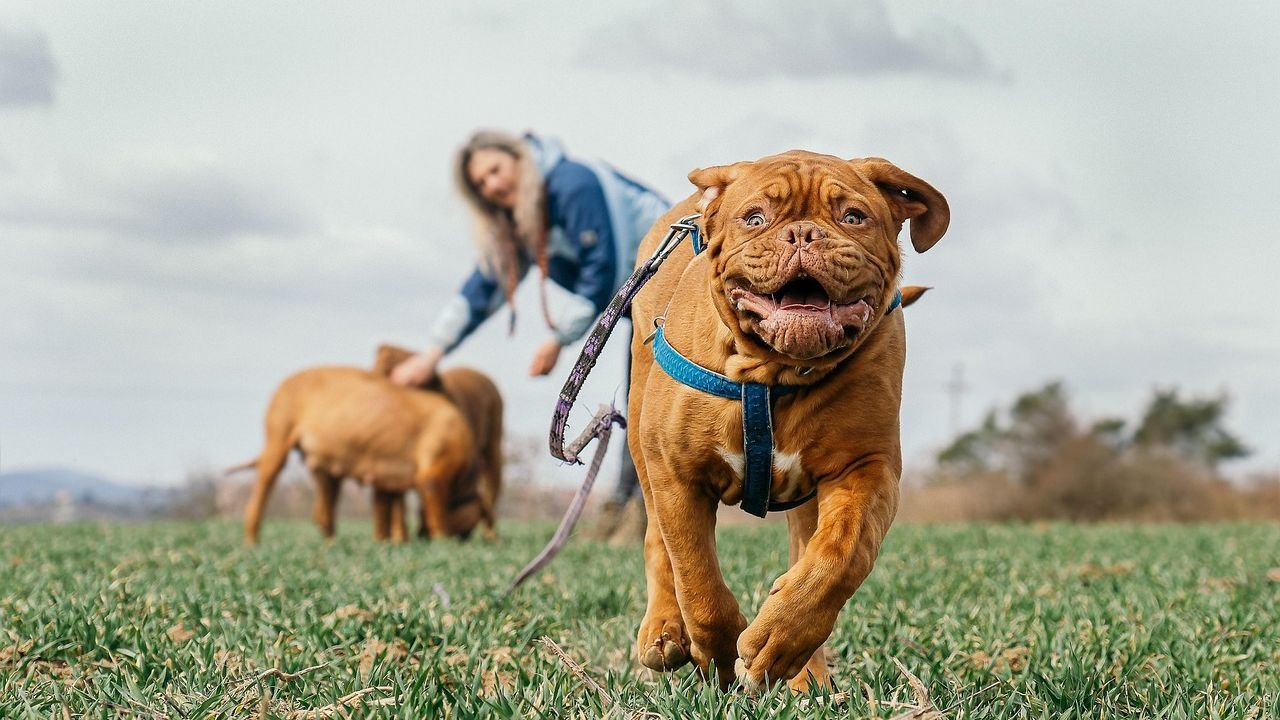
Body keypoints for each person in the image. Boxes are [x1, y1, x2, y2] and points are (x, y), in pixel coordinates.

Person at [390, 130, 669, 539]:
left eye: (495, 170)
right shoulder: (524, 220)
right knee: (640, 398)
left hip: (678, 287)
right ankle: (626, 510)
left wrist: (560, 339)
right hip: (642, 305)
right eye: (481, 184)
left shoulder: (573, 184)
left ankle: (638, 513)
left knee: (648, 401)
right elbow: (485, 286)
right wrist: (432, 353)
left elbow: (603, 267)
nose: (492, 185)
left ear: (519, 159)